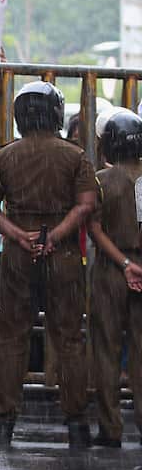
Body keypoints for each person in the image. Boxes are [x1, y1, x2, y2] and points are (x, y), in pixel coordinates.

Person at [0, 81, 96, 448]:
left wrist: (20, 236)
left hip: (19, 253)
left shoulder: (4, 156)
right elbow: (84, 205)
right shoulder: (75, 155)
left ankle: (4, 421)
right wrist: (54, 237)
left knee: (11, 337)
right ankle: (77, 422)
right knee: (69, 339)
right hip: (62, 253)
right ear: (56, 114)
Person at [86, 110, 142, 448]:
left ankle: (110, 428)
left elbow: (93, 229)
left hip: (111, 267)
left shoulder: (101, 182)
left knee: (106, 349)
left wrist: (124, 263)